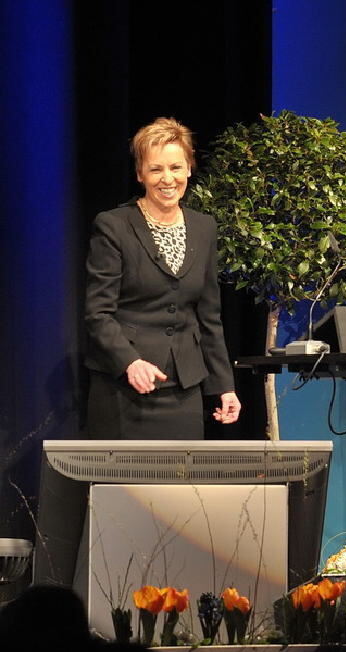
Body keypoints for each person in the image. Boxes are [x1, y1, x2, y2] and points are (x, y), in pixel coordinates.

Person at [84, 117, 240, 439]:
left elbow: (209, 317)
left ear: (189, 169)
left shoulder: (204, 228)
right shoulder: (113, 226)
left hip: (183, 388)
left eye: (176, 167)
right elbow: (98, 313)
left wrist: (224, 386)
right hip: (125, 388)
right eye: (155, 169)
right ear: (140, 174)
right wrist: (130, 362)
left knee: (181, 473)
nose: (167, 179)